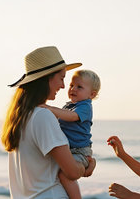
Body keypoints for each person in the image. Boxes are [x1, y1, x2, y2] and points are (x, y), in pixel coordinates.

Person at [1, 46, 96, 198]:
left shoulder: (20, 117)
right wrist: (89, 166)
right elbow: (71, 172)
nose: (63, 86)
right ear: (47, 78)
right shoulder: (43, 116)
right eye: (62, 78)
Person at [41, 69, 100, 199]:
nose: (73, 89)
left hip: (79, 151)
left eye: (79, 87)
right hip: (70, 149)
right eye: (71, 85)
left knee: (64, 175)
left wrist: (50, 109)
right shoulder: (69, 106)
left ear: (91, 94)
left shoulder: (85, 107)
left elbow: (72, 117)